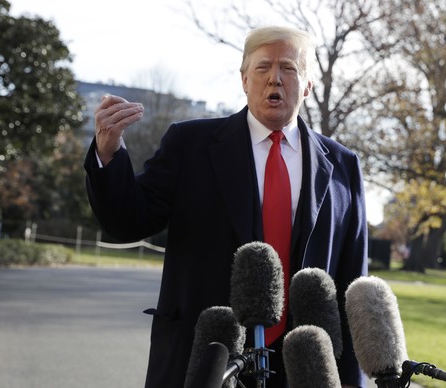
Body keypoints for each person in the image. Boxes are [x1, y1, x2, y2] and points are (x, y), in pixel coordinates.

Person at [84, 25, 368, 388]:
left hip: (305, 367)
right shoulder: (190, 144)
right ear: (244, 79)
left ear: (308, 84)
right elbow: (128, 221)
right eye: (263, 68)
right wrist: (108, 154)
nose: (275, 80)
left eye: (289, 69)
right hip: (205, 356)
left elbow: (350, 285)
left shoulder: (344, 166)